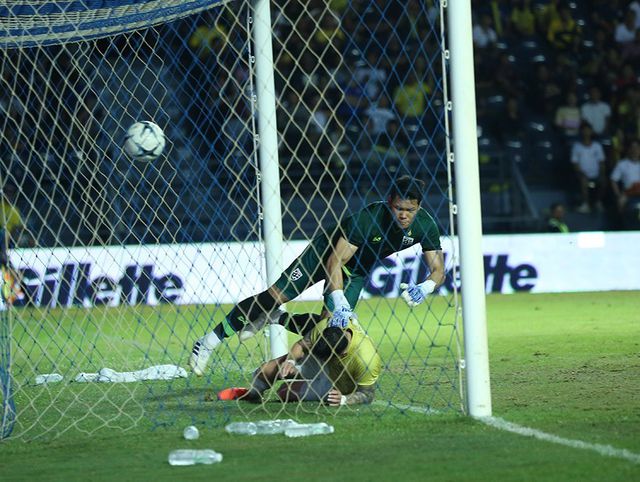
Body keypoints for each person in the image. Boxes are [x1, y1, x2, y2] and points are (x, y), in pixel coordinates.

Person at [190, 176, 445, 376]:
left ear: (419, 207)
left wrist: (426, 287)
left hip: (356, 271)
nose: (403, 215)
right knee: (275, 296)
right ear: (389, 202)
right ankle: (208, 341)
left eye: (410, 210)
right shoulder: (368, 219)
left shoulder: (425, 226)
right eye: (398, 208)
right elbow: (335, 261)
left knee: (331, 329)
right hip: (323, 255)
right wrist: (339, 299)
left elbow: (438, 271)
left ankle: (276, 318)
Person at [229, 316, 381, 406]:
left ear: (341, 355)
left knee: (284, 393)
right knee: (265, 371)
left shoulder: (366, 359)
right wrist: (290, 361)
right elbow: (301, 345)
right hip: (318, 361)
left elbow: (367, 394)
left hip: (337, 384)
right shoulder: (328, 325)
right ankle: (253, 394)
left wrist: (344, 400)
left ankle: (302, 385)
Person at [570, 122, 607, 213]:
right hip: (582, 174)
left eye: (588, 130)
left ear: (591, 132)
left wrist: (601, 173)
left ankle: (598, 202)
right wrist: (581, 173)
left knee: (604, 180)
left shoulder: (597, 146)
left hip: (596, 173)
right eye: (584, 130)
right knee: (584, 180)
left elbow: (601, 162)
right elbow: (575, 163)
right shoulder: (576, 147)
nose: (586, 132)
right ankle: (585, 204)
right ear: (581, 132)